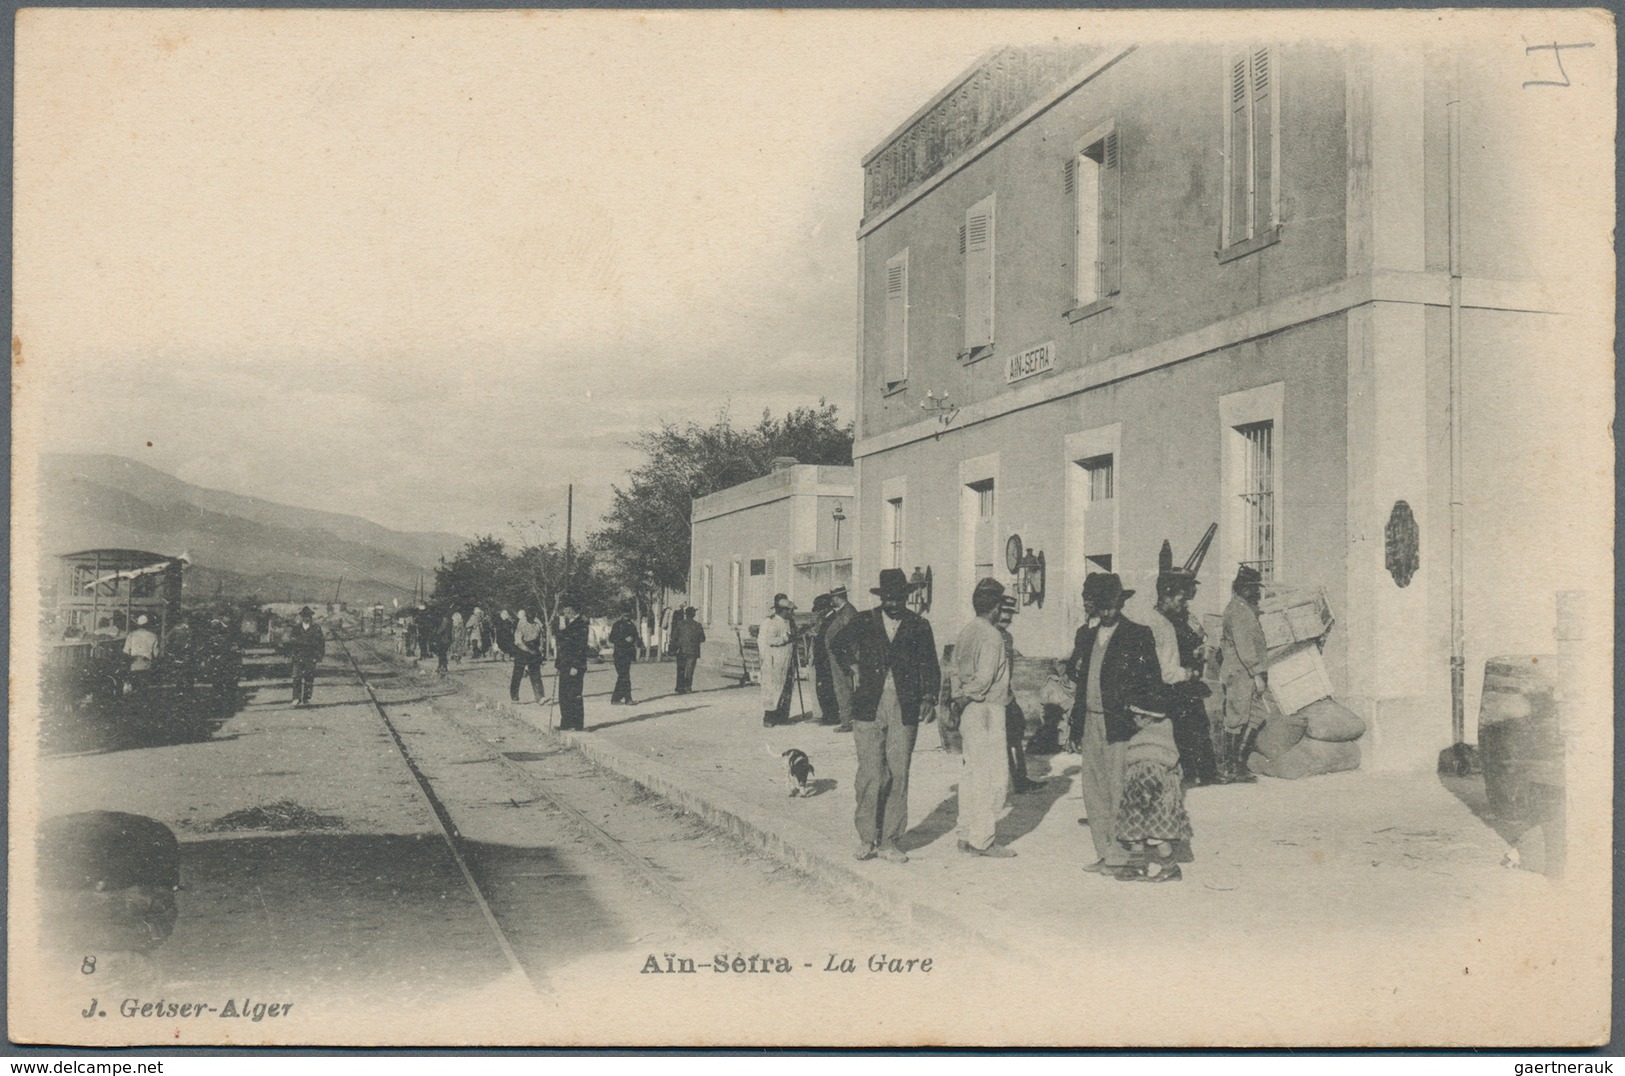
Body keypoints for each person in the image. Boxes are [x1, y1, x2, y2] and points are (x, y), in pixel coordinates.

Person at [831, 568, 941, 865]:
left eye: (899, 597)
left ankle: (890, 840)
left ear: (906, 597)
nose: (893, 603)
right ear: (882, 597)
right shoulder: (864, 621)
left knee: (899, 772)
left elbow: (930, 664)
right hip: (869, 706)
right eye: (888, 597)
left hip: (904, 706)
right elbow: (837, 643)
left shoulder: (919, 625)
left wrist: (929, 697)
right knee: (870, 773)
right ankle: (867, 838)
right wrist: (852, 666)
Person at [1065, 573, 1158, 876]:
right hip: (1090, 721)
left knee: (1119, 790)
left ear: (1121, 603)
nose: (1107, 612)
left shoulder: (1138, 634)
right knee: (1093, 791)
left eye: (1112, 605)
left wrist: (1137, 716)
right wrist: (1076, 726)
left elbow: (1151, 683)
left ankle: (1123, 857)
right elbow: (1079, 683)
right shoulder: (1088, 637)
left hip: (1119, 725)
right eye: (1102, 606)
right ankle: (1104, 853)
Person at [949, 579, 1017, 858]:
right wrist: (969, 695)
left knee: (971, 774)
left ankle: (965, 834)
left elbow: (953, 669)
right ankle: (984, 840)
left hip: (968, 709)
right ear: (997, 606)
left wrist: (958, 697)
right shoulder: (991, 635)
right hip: (986, 708)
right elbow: (985, 678)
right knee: (992, 777)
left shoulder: (966, 631)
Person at [1148, 568, 1221, 786]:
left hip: (1188, 680)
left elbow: (1200, 637)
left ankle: (1206, 773)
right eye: (1185, 590)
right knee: (1180, 729)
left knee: (1198, 724)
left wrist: (1199, 650)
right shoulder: (1158, 623)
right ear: (1168, 594)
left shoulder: (1185, 616)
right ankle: (1189, 773)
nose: (1190, 594)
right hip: (1172, 681)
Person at [1114, 696, 1194, 882]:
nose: (1134, 720)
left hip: (1148, 793)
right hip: (1155, 793)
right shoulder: (1162, 735)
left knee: (1151, 832)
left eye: (1136, 716)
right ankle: (1138, 866)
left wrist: (1138, 801)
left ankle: (1170, 868)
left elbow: (1148, 774)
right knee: (1151, 832)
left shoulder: (1149, 744)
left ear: (1147, 718)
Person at [1219, 565, 1269, 783]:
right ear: (1245, 589)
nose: (1258, 593)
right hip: (1241, 673)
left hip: (1244, 672)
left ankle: (1238, 764)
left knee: (1256, 715)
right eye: (1254, 588)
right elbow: (1245, 646)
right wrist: (1256, 673)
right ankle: (1231, 768)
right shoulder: (1238, 611)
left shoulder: (1242, 608)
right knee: (1237, 718)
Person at [996, 594, 1043, 793]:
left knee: (1015, 732)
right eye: (1004, 613)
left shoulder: (1007, 637)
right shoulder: (990, 634)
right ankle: (1011, 781)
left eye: (1010, 614)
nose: (1007, 618)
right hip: (994, 697)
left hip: (1007, 694)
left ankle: (1019, 779)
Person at [821, 585, 859, 732]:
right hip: (839, 656)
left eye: (832, 598)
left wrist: (849, 658)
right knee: (842, 687)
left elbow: (850, 638)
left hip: (844, 656)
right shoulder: (842, 612)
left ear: (837, 598)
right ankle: (847, 719)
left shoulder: (848, 612)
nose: (831, 600)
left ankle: (847, 722)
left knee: (844, 688)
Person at [757, 594, 798, 727]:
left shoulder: (789, 622)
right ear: (783, 610)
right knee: (772, 688)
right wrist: (786, 639)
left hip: (786, 659)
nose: (791, 613)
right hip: (774, 661)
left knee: (786, 687)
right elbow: (769, 640)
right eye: (789, 610)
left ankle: (782, 716)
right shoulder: (770, 622)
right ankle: (769, 717)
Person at [555, 598, 590, 731]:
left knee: (574, 694)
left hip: (574, 665)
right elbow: (561, 642)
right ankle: (566, 723)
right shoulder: (568, 623)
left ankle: (577, 724)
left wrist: (575, 665)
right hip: (564, 664)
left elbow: (580, 647)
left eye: (566, 610)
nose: (564, 613)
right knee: (563, 694)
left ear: (571, 610)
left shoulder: (581, 624)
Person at [286, 606, 326, 706]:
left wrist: (319, 656)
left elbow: (321, 643)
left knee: (309, 678)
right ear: (302, 617)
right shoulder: (296, 628)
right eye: (305, 616)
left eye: (309, 616)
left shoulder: (316, 628)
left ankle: (306, 699)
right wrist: (291, 655)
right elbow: (292, 642)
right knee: (296, 678)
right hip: (298, 656)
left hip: (310, 656)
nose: (307, 618)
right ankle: (296, 698)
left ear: (311, 617)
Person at [807, 593, 838, 723]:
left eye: (819, 609)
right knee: (822, 687)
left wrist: (815, 635)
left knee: (827, 688)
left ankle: (830, 716)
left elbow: (826, 638)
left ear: (825, 608)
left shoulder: (831, 618)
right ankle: (826, 714)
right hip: (821, 658)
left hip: (825, 659)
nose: (818, 613)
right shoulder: (826, 618)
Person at [510, 607, 546, 704]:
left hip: (534, 650)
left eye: (534, 614)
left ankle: (540, 697)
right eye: (530, 614)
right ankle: (514, 696)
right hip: (522, 650)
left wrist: (539, 651)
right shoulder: (521, 624)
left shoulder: (537, 624)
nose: (532, 616)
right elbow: (518, 641)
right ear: (526, 614)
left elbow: (541, 639)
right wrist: (528, 650)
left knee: (536, 674)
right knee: (518, 674)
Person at [122, 615, 161, 695]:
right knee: (144, 690)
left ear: (137, 625)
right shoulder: (153, 636)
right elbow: (156, 654)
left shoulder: (131, 635)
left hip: (134, 665)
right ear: (148, 624)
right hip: (146, 665)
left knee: (134, 689)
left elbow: (126, 651)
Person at [670, 607, 706, 693]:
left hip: (681, 650)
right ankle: (688, 687)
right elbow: (702, 638)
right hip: (693, 651)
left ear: (686, 614)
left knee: (681, 669)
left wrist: (674, 647)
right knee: (690, 670)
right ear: (694, 615)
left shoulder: (680, 624)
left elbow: (674, 637)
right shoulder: (698, 625)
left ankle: (680, 687)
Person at [609, 607, 640, 704]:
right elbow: (611, 639)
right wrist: (624, 639)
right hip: (619, 654)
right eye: (625, 614)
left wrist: (634, 640)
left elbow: (637, 637)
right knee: (624, 676)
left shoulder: (632, 625)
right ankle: (628, 698)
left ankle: (616, 698)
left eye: (628, 614)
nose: (627, 616)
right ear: (622, 614)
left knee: (623, 676)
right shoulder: (617, 625)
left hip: (628, 654)